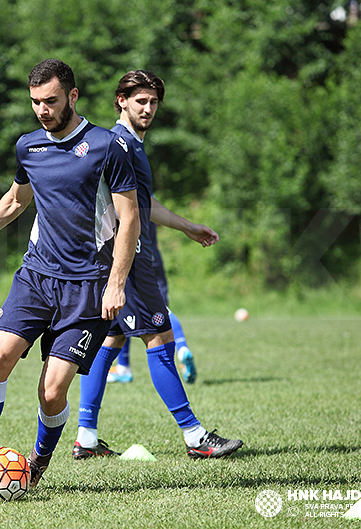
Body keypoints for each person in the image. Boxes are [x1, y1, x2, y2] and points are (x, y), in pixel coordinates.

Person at [0, 59, 140, 491]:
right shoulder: (28, 147)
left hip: (88, 288)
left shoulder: (108, 146)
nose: (42, 110)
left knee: (51, 392)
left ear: (72, 96)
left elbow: (130, 218)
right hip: (36, 277)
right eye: (35, 102)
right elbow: (15, 201)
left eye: (50, 100)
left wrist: (117, 282)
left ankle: (38, 463)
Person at [73, 70, 243, 461]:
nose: (147, 109)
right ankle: (195, 436)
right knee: (161, 339)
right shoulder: (119, 144)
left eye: (152, 102)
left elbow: (143, 207)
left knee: (109, 343)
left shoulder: (129, 145)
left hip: (114, 260)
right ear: (121, 100)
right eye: (140, 101)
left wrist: (187, 227)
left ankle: (86, 436)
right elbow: (119, 213)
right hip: (128, 262)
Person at [107, 222, 197, 385]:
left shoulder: (124, 197)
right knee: (156, 313)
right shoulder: (147, 198)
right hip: (152, 258)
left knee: (126, 310)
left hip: (132, 260)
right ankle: (182, 346)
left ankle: (123, 368)